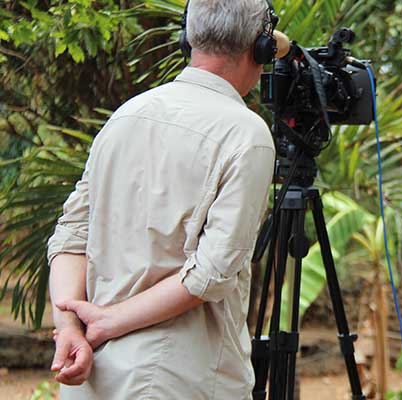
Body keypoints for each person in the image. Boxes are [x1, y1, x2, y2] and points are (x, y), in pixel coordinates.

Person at [46, 1, 276, 399]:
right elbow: (212, 273)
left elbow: (70, 236)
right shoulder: (246, 135)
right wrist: (109, 321)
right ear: (260, 49)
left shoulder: (127, 115)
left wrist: (70, 327)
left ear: (188, 40)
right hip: (178, 376)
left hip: (94, 375)